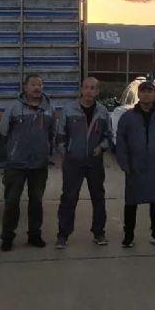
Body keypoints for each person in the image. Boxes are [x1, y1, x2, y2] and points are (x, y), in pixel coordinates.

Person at [0, 73, 55, 251]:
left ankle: (34, 235)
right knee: (11, 202)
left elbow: (52, 133)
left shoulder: (49, 109)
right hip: (16, 164)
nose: (37, 88)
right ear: (25, 87)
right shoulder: (13, 108)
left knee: (36, 201)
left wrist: (47, 153)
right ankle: (7, 237)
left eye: (40, 85)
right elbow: (3, 131)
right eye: (33, 84)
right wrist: (15, 149)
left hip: (39, 165)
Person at [55, 76, 113, 249]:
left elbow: (109, 136)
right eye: (86, 87)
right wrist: (66, 153)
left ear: (97, 91)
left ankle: (99, 232)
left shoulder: (103, 112)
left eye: (93, 88)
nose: (89, 91)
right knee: (69, 198)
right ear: (81, 89)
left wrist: (101, 148)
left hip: (94, 162)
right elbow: (60, 135)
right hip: (73, 162)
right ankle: (63, 235)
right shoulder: (69, 110)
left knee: (98, 197)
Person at [115, 79, 155, 247]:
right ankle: (128, 236)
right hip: (135, 167)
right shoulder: (128, 117)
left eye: (150, 91)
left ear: (154, 94)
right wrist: (124, 163)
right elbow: (121, 142)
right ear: (139, 94)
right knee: (131, 202)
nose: (147, 94)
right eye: (143, 91)